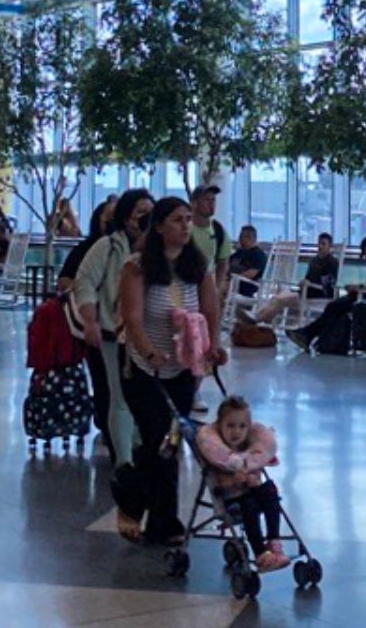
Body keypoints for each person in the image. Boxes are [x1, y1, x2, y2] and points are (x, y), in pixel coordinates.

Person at [118, 196, 226, 545]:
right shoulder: (137, 267)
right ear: (160, 225)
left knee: (172, 442)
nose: (185, 225)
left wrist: (213, 348)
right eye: (178, 219)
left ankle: (162, 520)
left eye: (188, 219)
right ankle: (139, 503)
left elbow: (211, 311)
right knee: (155, 438)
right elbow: (132, 318)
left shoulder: (198, 266)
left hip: (183, 368)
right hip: (143, 369)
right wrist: (149, 351)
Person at [74, 189, 153, 477]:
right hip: (114, 333)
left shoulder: (155, 250)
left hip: (150, 335)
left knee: (145, 398)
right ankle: (125, 462)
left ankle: (140, 448)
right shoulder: (107, 247)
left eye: (149, 212)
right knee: (120, 397)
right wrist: (91, 319)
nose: (143, 219)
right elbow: (83, 282)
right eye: (139, 212)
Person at [195, 396, 288, 572]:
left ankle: (274, 541)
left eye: (242, 426)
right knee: (250, 506)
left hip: (253, 492)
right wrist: (233, 481)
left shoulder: (250, 449)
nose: (236, 432)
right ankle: (260, 552)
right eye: (230, 426)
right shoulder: (217, 452)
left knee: (269, 489)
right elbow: (219, 483)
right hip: (234, 499)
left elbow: (257, 473)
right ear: (219, 425)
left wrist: (253, 481)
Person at [286, 236, 366, 351]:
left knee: (335, 307)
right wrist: (357, 288)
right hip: (365, 296)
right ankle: (315, 337)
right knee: (334, 307)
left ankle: (309, 335)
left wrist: (358, 288)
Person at [248, 233, 341, 326]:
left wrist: (310, 283)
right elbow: (307, 278)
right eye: (319, 243)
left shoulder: (332, 262)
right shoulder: (314, 260)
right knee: (276, 298)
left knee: (279, 300)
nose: (320, 246)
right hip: (305, 292)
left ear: (330, 247)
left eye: (323, 244)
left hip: (318, 295)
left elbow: (328, 286)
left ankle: (257, 319)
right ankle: (258, 318)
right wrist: (303, 283)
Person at [191, 184, 233, 291]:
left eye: (213, 200)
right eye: (206, 199)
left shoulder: (218, 230)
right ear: (194, 204)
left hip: (206, 287)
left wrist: (215, 288)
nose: (211, 203)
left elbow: (223, 263)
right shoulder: (185, 228)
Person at [225, 225, 267, 303]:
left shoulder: (258, 255)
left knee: (216, 288)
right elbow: (225, 265)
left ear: (249, 238)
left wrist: (231, 279)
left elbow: (251, 273)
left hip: (244, 285)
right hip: (230, 282)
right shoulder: (239, 252)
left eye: (241, 236)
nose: (239, 239)